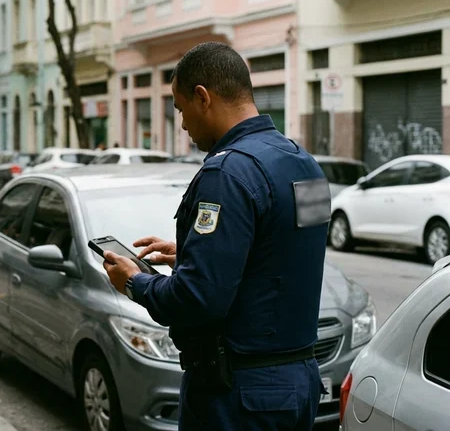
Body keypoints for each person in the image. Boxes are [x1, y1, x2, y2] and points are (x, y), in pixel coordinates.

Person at [102, 42, 331, 430]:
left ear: (202, 97)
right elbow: (287, 252)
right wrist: (199, 252)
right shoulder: (303, 162)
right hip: (296, 386)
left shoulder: (227, 174)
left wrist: (135, 283)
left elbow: (197, 300)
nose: (183, 125)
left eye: (180, 109)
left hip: (238, 394)